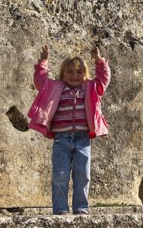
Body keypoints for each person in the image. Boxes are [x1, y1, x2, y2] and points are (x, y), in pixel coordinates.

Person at [27, 44, 111, 215]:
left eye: (79, 72)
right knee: (60, 175)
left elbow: (104, 79)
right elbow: (40, 81)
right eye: (70, 72)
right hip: (62, 139)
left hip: (83, 139)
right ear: (63, 74)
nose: (74, 75)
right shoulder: (56, 87)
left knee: (83, 175)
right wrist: (43, 61)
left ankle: (81, 209)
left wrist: (98, 60)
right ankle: (60, 210)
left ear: (85, 74)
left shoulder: (90, 87)